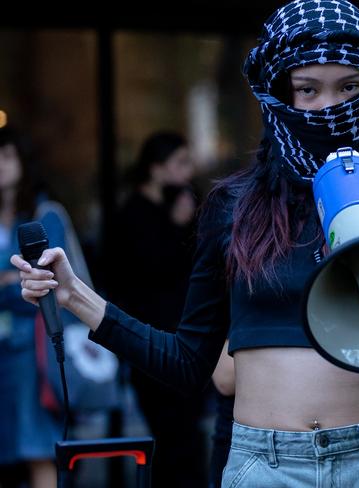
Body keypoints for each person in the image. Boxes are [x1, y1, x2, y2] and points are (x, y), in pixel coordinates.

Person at [12, 2, 359, 486]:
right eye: (308, 90)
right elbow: (187, 363)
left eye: (348, 87)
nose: (329, 107)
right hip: (264, 465)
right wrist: (75, 294)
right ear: (279, 94)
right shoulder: (235, 207)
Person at [107, 131, 209, 487]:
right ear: (156, 169)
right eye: (179, 163)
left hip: (183, 335)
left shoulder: (179, 205)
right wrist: (178, 227)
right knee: (172, 438)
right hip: (151, 338)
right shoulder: (134, 215)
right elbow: (150, 271)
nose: (188, 170)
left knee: (186, 436)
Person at [0, 125, 65, 488]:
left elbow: (49, 282)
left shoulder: (43, 214)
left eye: (7, 156)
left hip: (32, 352)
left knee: (39, 447)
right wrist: (11, 281)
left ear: (23, 162)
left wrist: (12, 285)